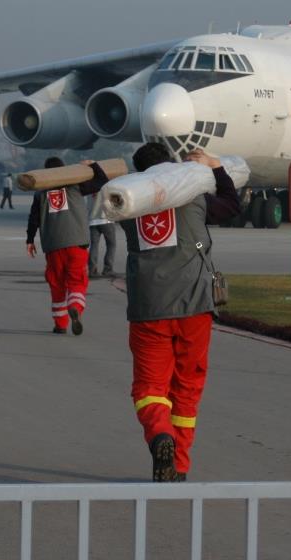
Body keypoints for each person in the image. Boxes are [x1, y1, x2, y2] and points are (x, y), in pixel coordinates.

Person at [120, 143, 240, 482]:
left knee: (149, 387)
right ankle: (180, 465)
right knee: (187, 385)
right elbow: (232, 206)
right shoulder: (193, 197)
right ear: (171, 166)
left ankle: (160, 436)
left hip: (148, 307)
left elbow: (97, 188)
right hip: (195, 306)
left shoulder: (127, 204)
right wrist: (216, 167)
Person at [26, 157, 108, 335]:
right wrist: (92, 164)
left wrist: (30, 240)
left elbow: (34, 219)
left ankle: (60, 324)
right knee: (77, 280)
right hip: (76, 243)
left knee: (57, 284)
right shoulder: (76, 186)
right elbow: (102, 182)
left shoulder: (40, 193)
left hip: (53, 245)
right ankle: (75, 307)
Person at [87, 193, 117, 277]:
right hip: (106, 219)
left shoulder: (90, 187)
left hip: (92, 220)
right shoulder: (107, 186)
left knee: (94, 245)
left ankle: (92, 270)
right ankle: (108, 269)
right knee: (111, 244)